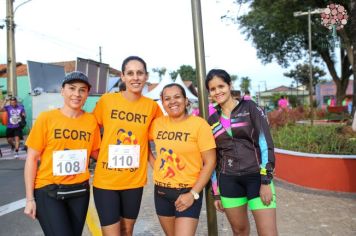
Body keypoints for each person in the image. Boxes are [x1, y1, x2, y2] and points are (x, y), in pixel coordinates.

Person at [23, 71, 101, 236]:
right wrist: (30, 199)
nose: (76, 94)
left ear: (87, 94)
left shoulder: (91, 121)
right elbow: (31, 158)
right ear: (62, 91)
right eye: (72, 88)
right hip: (49, 190)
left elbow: (95, 152)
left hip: (80, 192)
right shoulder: (47, 118)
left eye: (82, 90)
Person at [92, 56, 163, 236]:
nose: (135, 77)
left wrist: (156, 163)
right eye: (130, 73)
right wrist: (98, 156)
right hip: (106, 181)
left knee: (127, 230)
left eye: (139, 73)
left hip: (134, 181)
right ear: (122, 76)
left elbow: (163, 137)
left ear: (146, 76)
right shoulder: (107, 101)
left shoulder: (152, 107)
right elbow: (90, 130)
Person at [205, 69, 277, 236]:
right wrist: (216, 193)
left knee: (268, 233)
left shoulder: (250, 107)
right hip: (229, 181)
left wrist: (266, 181)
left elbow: (265, 143)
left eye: (221, 86)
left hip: (257, 177)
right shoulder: (212, 120)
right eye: (213, 89)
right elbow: (212, 157)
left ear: (230, 85)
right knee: (239, 232)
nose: (218, 92)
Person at [149, 83, 216, 236]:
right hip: (161, 192)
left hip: (188, 191)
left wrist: (193, 194)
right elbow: (141, 143)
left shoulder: (199, 125)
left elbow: (210, 162)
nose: (172, 102)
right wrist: (156, 166)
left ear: (186, 100)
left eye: (177, 97)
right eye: (167, 99)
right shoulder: (157, 124)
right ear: (163, 103)